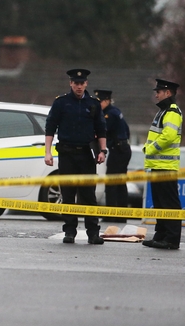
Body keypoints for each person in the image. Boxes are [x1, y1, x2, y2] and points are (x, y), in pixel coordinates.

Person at [44, 69, 107, 245]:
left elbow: (101, 129)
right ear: (71, 83)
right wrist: (47, 152)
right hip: (67, 153)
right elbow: (50, 127)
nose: (79, 86)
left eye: (82, 83)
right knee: (68, 193)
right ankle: (70, 231)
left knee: (88, 195)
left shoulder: (93, 104)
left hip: (87, 154)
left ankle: (93, 233)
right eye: (76, 83)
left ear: (86, 83)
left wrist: (102, 151)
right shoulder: (61, 103)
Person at [143, 79, 183, 250]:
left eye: (159, 91)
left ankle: (172, 239)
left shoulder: (172, 111)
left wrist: (150, 149)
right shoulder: (163, 111)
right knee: (160, 203)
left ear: (168, 93)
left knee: (169, 204)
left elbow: (169, 136)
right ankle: (161, 235)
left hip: (165, 167)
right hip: (158, 166)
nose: (156, 94)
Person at [94, 89, 132, 223]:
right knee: (120, 183)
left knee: (111, 183)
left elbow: (103, 132)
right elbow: (127, 131)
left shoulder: (108, 115)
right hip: (123, 149)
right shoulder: (116, 112)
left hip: (118, 151)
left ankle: (110, 214)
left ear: (106, 101)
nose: (98, 105)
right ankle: (121, 214)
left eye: (100, 102)